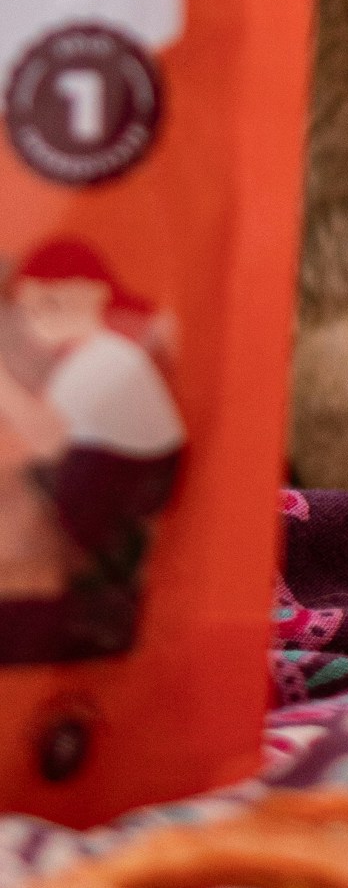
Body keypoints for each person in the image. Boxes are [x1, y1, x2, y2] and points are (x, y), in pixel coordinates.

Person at [0, 239, 185, 664]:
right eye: (27, 309)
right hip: (101, 491)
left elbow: (46, 438)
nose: (34, 320)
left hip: (118, 497)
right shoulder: (88, 359)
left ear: (93, 296)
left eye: (49, 304)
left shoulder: (106, 360)